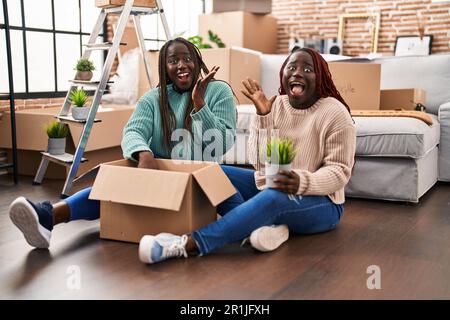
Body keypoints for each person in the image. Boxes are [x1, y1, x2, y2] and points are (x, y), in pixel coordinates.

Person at [9, 38, 237, 249]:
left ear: (197, 61)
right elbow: (133, 131)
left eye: (187, 58)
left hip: (201, 179)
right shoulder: (154, 98)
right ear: (164, 68)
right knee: (113, 184)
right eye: (173, 60)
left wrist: (199, 103)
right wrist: (144, 154)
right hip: (158, 175)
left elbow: (221, 142)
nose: (181, 65)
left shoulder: (218, 91)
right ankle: (47, 217)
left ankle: (256, 223)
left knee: (235, 202)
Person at [137, 47, 356, 264]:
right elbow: (259, 163)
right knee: (212, 173)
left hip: (323, 203)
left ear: (320, 78)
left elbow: (339, 172)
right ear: (283, 74)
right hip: (273, 186)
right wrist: (263, 116)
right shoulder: (275, 105)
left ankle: (187, 244)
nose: (297, 72)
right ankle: (264, 228)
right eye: (291, 67)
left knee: (274, 198)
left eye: (307, 69)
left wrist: (302, 181)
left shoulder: (335, 113)